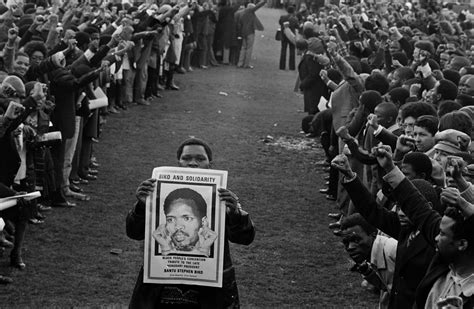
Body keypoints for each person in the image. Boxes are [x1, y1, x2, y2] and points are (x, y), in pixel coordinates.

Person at [126, 137, 255, 308]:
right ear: (178, 163)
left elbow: (244, 238)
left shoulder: (222, 197)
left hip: (209, 291)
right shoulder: (156, 193)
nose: (193, 163)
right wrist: (142, 206)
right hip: (161, 285)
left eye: (200, 159)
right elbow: (133, 233)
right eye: (186, 158)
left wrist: (236, 214)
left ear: (210, 164)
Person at [153, 187, 217, 257]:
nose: (177, 226)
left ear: (203, 222)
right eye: (170, 220)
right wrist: (165, 249)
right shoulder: (165, 246)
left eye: (187, 218)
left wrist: (204, 249)